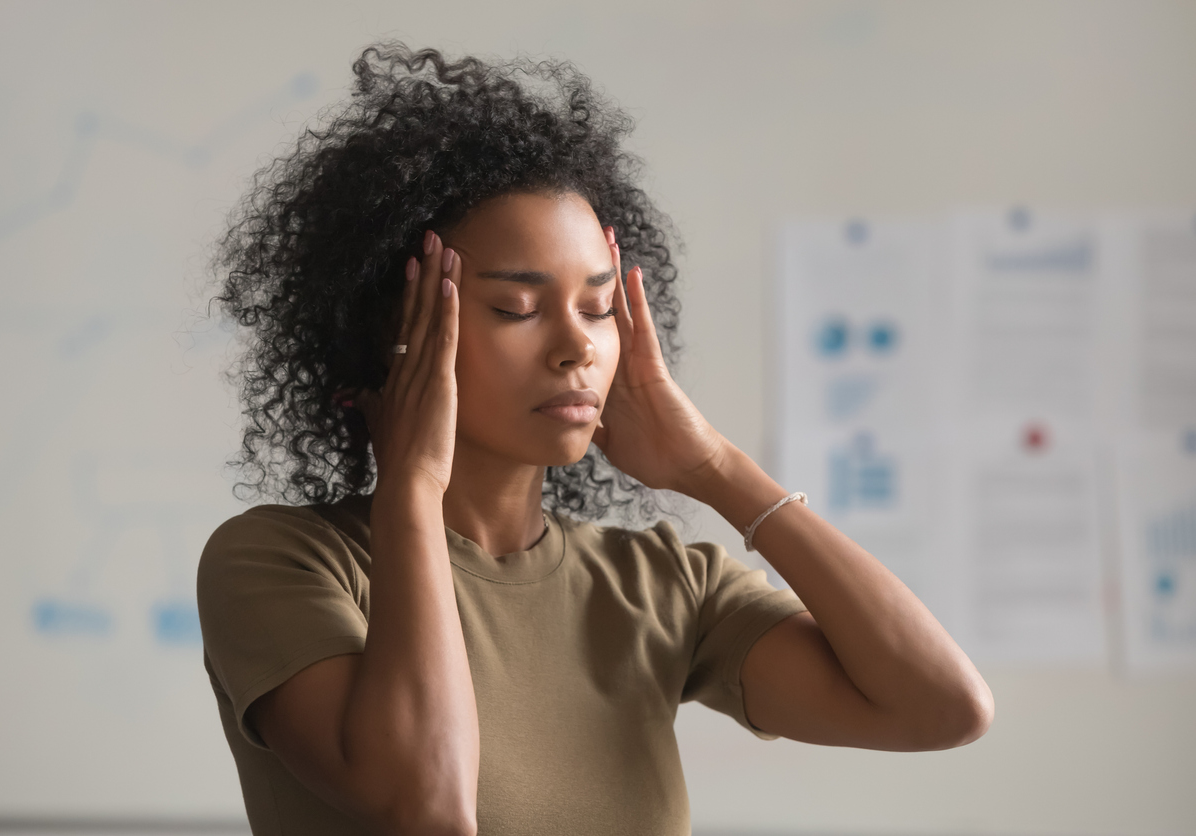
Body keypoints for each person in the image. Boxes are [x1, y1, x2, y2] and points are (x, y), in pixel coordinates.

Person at [198, 43, 993, 836]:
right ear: (384, 338)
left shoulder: (656, 585)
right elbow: (427, 804)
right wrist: (412, 488)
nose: (578, 347)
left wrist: (716, 469)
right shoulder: (279, 562)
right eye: (516, 307)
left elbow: (941, 709)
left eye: (599, 306)